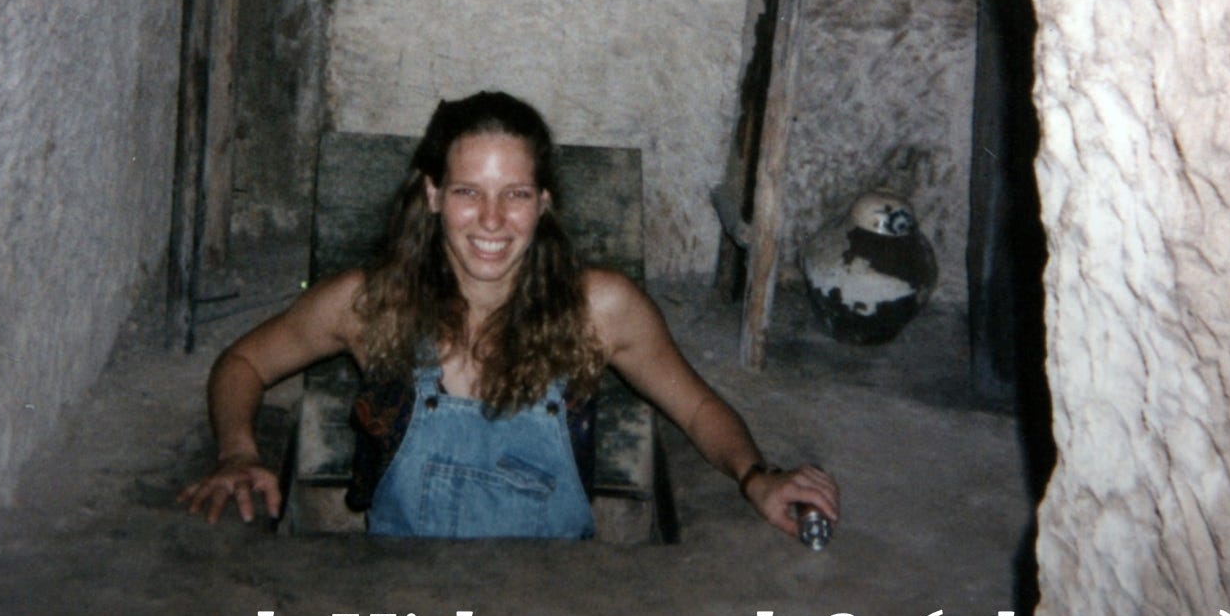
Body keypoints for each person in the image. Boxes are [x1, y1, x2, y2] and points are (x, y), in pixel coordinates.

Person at [179, 91, 838, 539]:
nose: (492, 221)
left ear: (543, 201)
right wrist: (237, 450)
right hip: (395, 594)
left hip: (554, 608)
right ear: (434, 195)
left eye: (515, 195)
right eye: (469, 192)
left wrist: (757, 477)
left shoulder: (600, 309)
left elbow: (696, 409)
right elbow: (243, 361)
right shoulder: (373, 302)